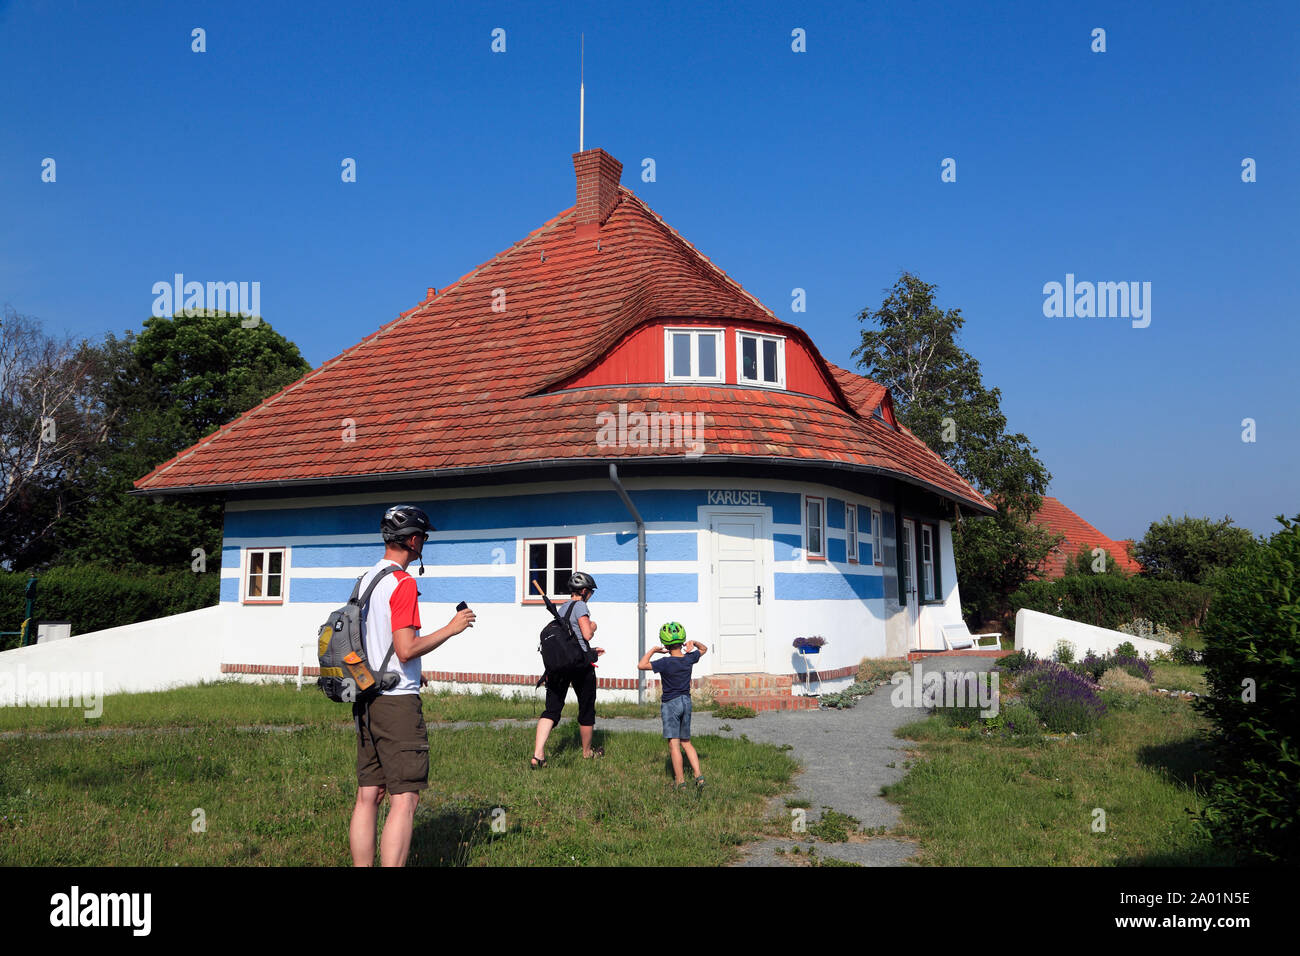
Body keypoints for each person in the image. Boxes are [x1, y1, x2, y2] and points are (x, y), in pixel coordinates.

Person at [350, 504, 476, 867]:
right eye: (424, 538)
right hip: (396, 704)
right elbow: (405, 648)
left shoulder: (367, 580)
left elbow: (370, 642)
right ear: (415, 540)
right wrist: (451, 629)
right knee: (404, 798)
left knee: (368, 794)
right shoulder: (403, 583)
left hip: (367, 697)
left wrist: (406, 668)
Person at [531, 571, 605, 767]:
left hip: (559, 665)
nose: (590, 595)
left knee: (552, 710)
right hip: (580, 665)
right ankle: (587, 752)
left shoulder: (562, 608)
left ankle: (538, 754)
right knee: (586, 708)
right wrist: (593, 625)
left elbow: (571, 638)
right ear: (583, 591)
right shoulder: (581, 606)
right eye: (590, 592)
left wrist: (591, 650)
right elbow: (587, 634)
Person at [638, 622, 707, 791]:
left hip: (671, 704)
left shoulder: (664, 662)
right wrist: (692, 643)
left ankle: (680, 781)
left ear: (665, 644)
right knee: (686, 742)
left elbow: (641, 665)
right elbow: (704, 649)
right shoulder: (689, 658)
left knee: (674, 745)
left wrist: (654, 650)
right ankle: (699, 776)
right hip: (686, 702)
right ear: (681, 640)